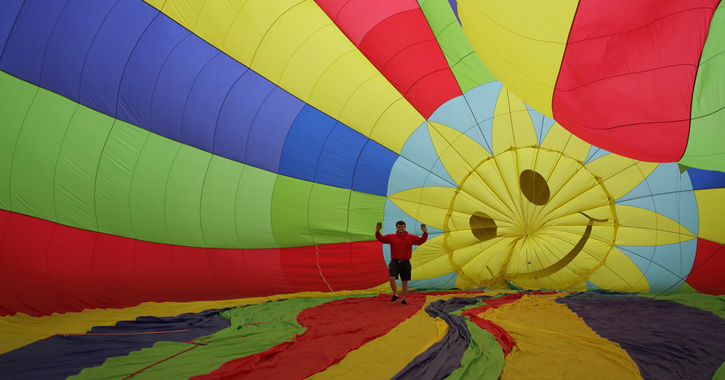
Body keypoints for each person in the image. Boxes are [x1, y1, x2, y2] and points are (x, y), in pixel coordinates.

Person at [375, 220, 427, 304]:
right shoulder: (391, 237)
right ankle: (395, 295)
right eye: (399, 227)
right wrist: (377, 232)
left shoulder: (411, 237)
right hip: (394, 261)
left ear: (405, 227)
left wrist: (425, 233)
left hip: (405, 262)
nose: (401, 228)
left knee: (404, 281)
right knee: (392, 278)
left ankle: (403, 299)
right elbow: (381, 239)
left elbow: (421, 241)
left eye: (402, 227)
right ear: (396, 228)